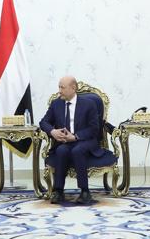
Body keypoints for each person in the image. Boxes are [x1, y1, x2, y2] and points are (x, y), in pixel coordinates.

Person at [38, 75, 110, 205]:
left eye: (62, 87)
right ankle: (58, 191)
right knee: (61, 150)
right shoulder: (56, 104)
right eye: (59, 87)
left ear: (73, 88)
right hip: (65, 142)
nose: (59, 91)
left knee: (78, 150)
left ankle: (85, 192)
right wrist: (53, 131)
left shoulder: (89, 104)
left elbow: (94, 129)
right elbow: (43, 122)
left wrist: (76, 136)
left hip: (85, 140)